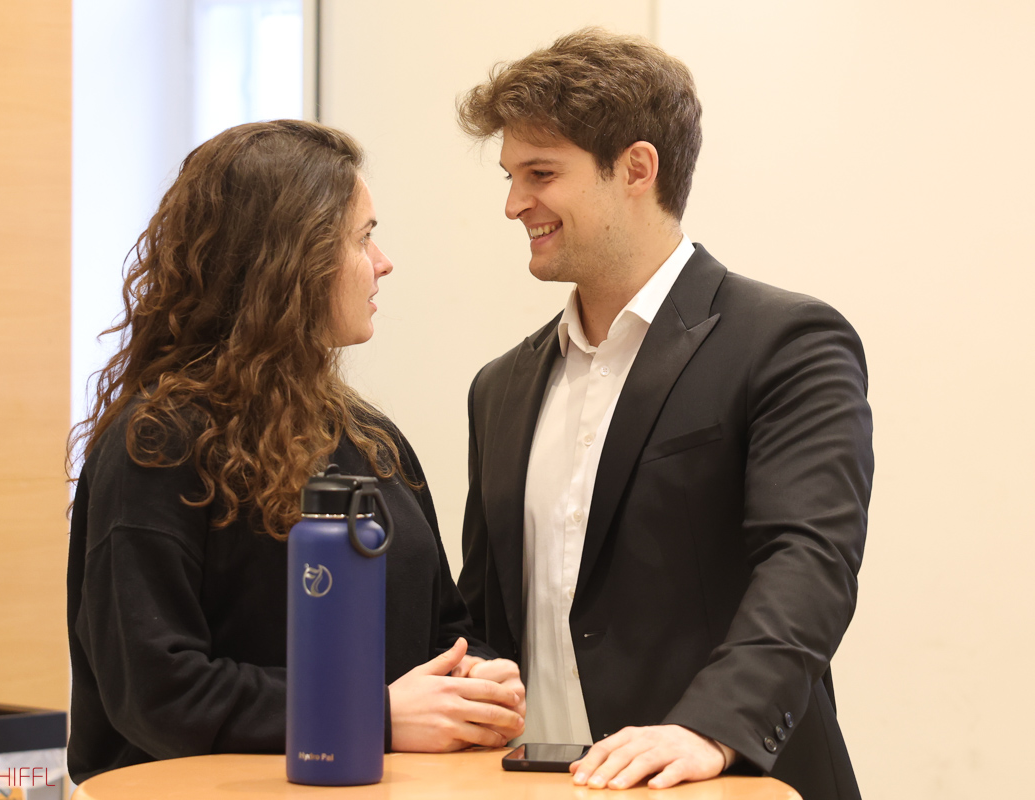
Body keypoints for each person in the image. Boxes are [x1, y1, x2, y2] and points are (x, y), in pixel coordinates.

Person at [455, 29, 872, 800]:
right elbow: (484, 618)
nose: (514, 205)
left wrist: (708, 728)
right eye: (512, 177)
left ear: (637, 169)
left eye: (541, 173)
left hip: (733, 784)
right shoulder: (499, 388)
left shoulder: (786, 343)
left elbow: (809, 561)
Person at [65, 120, 524, 783]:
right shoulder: (158, 443)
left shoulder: (372, 440)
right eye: (362, 238)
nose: (383, 262)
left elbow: (444, 632)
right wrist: (371, 714)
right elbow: (158, 693)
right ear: (291, 260)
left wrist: (476, 676)